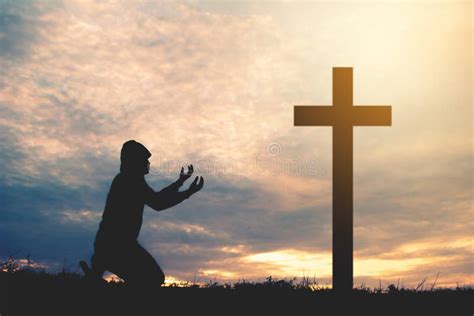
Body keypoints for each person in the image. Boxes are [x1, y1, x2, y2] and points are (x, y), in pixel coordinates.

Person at [80, 140, 204, 289]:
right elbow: (158, 203)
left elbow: (156, 198)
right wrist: (188, 192)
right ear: (134, 161)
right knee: (152, 278)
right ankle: (99, 279)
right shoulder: (130, 181)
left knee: (150, 278)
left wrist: (180, 182)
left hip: (116, 244)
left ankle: (96, 273)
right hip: (118, 246)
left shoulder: (129, 179)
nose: (147, 163)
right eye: (144, 160)